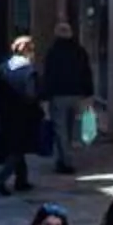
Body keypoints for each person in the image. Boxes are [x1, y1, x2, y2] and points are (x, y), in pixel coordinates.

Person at [38, 20, 97, 176]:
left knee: (61, 129)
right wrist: (89, 93)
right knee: (70, 128)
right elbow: (87, 72)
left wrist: (44, 96)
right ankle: (64, 158)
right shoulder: (80, 51)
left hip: (59, 96)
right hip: (76, 95)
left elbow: (48, 76)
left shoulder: (53, 52)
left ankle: (66, 162)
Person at [0, 37, 41, 196]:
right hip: (23, 115)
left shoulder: (3, 68)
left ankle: (22, 180)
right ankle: (0, 180)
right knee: (18, 149)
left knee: (17, 146)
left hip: (5, 113)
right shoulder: (29, 72)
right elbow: (31, 95)